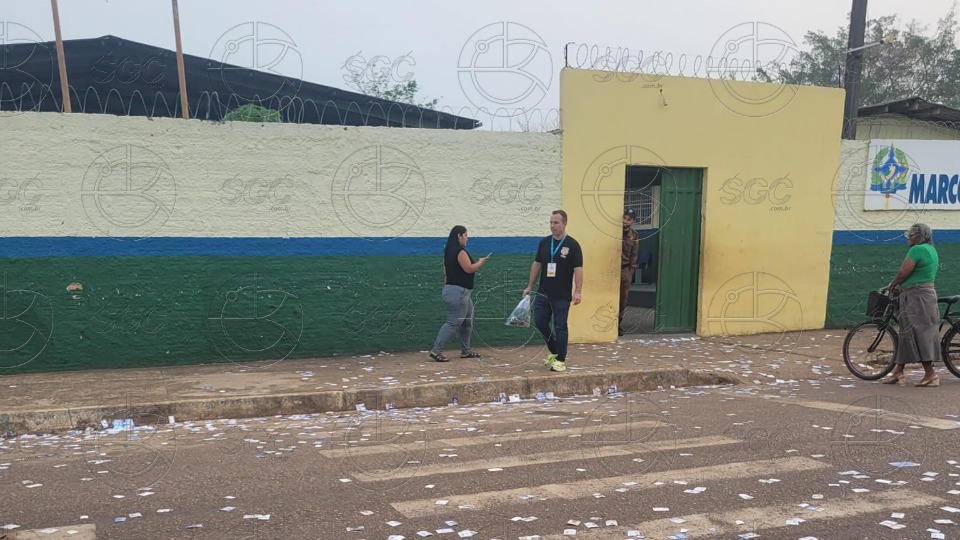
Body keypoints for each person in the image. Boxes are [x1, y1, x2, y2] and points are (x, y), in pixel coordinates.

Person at [522, 210, 584, 372]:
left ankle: (561, 360)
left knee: (560, 326)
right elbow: (537, 265)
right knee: (541, 322)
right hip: (543, 292)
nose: (553, 226)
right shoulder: (544, 243)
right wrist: (530, 286)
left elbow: (578, 269)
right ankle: (555, 350)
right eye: (551, 222)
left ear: (564, 224)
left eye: (556, 223)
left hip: (562, 295)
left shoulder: (572, 245)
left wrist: (578, 291)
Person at [881, 223, 941, 387]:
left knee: (919, 333)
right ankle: (898, 372)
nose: (909, 236)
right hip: (922, 295)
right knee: (906, 333)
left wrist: (892, 284)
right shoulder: (931, 249)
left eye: (912, 234)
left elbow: (903, 273)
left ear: (920, 235)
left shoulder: (917, 250)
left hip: (916, 295)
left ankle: (931, 374)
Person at [430, 225, 489, 362]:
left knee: (467, 322)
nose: (467, 239)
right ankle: (436, 350)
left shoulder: (448, 251)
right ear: (459, 236)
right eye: (465, 236)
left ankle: (465, 351)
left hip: (458, 292)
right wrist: (481, 262)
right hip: (459, 292)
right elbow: (469, 268)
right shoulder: (460, 251)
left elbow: (445, 271)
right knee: (453, 322)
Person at [619, 208, 639, 336]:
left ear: (633, 221)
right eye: (624, 218)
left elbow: (634, 255)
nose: (625, 221)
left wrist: (630, 273)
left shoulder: (634, 235)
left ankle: (618, 324)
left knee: (623, 299)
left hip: (625, 269)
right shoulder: (615, 231)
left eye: (629, 219)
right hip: (613, 269)